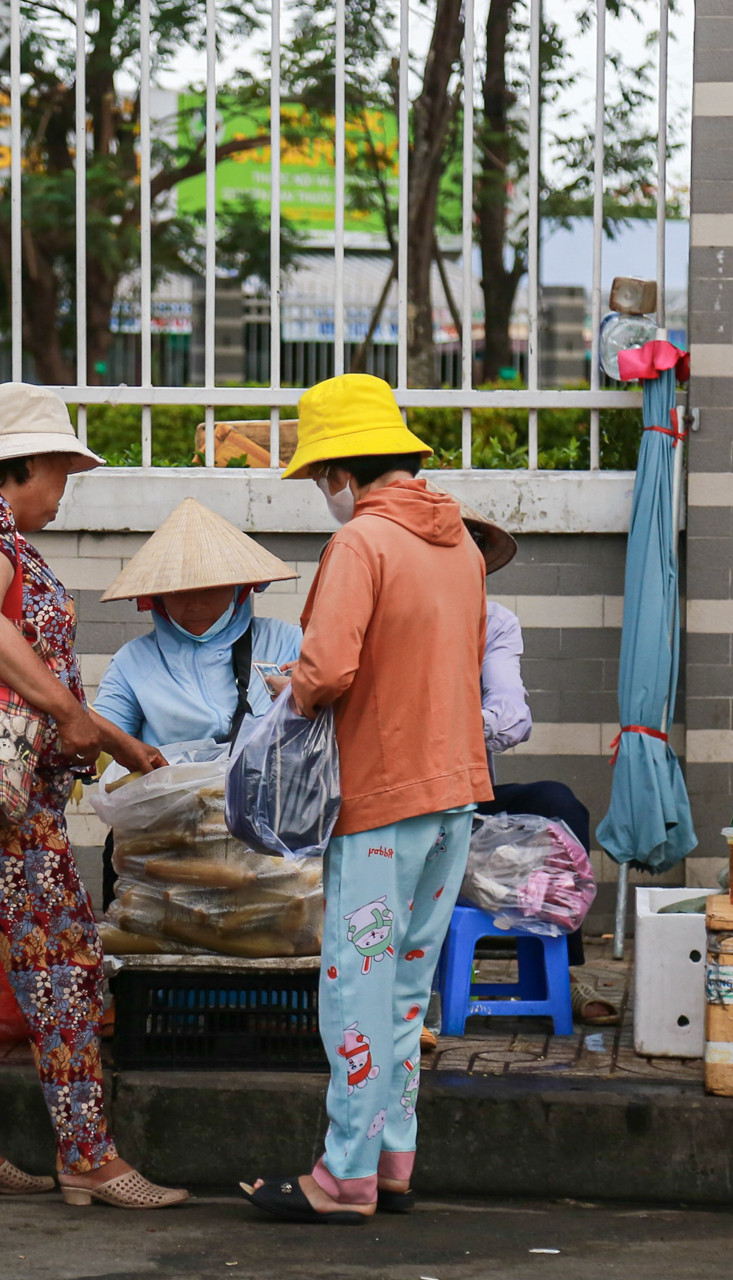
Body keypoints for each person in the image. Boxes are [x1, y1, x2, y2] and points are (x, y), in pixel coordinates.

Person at [0, 381, 185, 1210]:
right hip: (4, 800)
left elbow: (11, 664)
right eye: (62, 470)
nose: (65, 488)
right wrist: (70, 714)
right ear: (20, 464)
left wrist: (120, 742)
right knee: (63, 961)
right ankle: (87, 1155)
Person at [241, 374, 494, 1224]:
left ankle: (343, 1175)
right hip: (454, 792)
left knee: (356, 985)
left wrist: (297, 693)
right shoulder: (460, 544)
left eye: (322, 477)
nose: (324, 493)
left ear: (344, 469)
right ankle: (393, 1157)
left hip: (381, 797)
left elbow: (330, 668)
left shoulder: (362, 545)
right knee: (407, 989)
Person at [453, 501, 616, 1028]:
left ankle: (560, 970)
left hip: (469, 791)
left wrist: (450, 725)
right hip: (405, 795)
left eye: (469, 554)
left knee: (557, 805)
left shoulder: (493, 623)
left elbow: (513, 716)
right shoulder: (391, 613)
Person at [92, 498, 303, 903]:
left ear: (240, 590)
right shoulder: (134, 661)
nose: (194, 605)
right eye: (178, 593)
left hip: (269, 840)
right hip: (167, 841)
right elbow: (103, 734)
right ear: (154, 599)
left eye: (209, 591)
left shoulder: (286, 641)